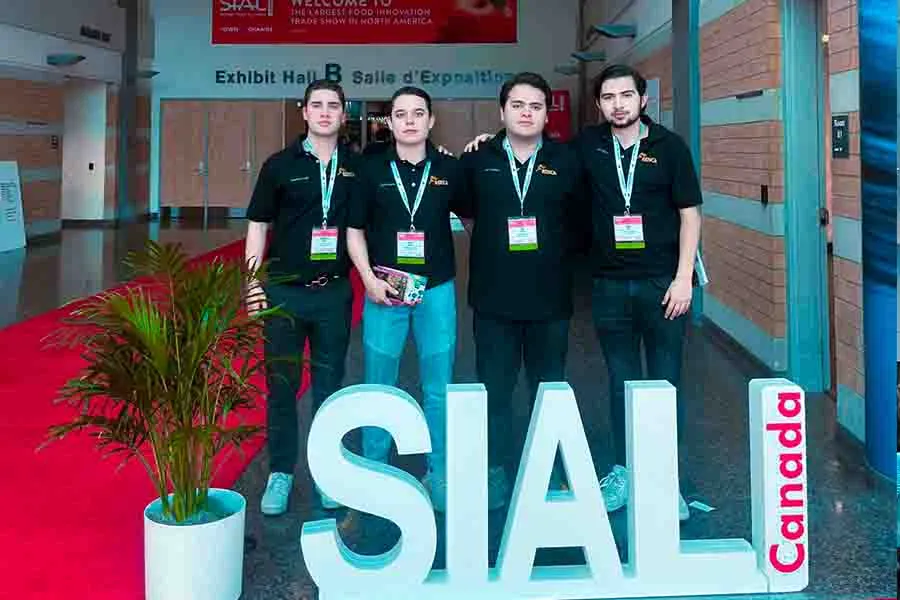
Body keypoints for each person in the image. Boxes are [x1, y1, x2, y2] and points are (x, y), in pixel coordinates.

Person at [575, 64, 702, 521]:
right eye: (608, 97)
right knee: (619, 382)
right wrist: (485, 145)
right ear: (599, 104)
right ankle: (625, 471)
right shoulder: (588, 145)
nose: (618, 105)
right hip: (609, 286)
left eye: (626, 95)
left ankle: (666, 480)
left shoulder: (670, 148)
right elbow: (534, 151)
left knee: (665, 383)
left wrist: (683, 277)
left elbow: (690, 215)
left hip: (662, 285)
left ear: (643, 99)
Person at [457, 72, 585, 509]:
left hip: (550, 300)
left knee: (548, 388)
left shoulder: (568, 161)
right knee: (494, 389)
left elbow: (579, 221)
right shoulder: (478, 159)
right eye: (517, 105)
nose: (526, 113)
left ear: (547, 113)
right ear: (502, 111)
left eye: (535, 106)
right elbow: (466, 214)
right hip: (493, 300)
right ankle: (496, 469)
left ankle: (546, 469)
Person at [346, 86, 469, 512]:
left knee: (439, 388)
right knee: (380, 383)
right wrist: (367, 280)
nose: (411, 121)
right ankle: (374, 468)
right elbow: (354, 230)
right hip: (385, 290)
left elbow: (476, 217)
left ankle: (439, 472)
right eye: (401, 114)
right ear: (391, 122)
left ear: (431, 120)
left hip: (437, 291)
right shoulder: (370, 168)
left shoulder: (450, 169)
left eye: (419, 113)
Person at [245, 79, 360, 517]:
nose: (326, 112)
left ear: (343, 114)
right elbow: (257, 225)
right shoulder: (279, 165)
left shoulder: (355, 167)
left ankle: (327, 474)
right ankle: (280, 473)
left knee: (330, 388)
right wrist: (252, 284)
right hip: (283, 294)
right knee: (281, 387)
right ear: (304, 112)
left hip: (332, 294)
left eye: (334, 106)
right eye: (318, 105)